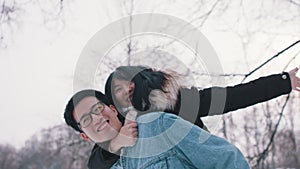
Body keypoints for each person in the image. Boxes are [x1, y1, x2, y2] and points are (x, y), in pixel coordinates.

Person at [84, 65, 300, 169]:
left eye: (128, 81)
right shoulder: (121, 128)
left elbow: (231, 96)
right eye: (117, 89)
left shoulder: (177, 102)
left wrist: (281, 82)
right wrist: (116, 144)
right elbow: (96, 162)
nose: (126, 89)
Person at [64, 89, 251, 169]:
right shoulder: (104, 164)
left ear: (112, 109)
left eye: (97, 109)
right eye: (86, 119)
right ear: (85, 136)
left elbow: (227, 159)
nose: (97, 118)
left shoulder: (156, 125)